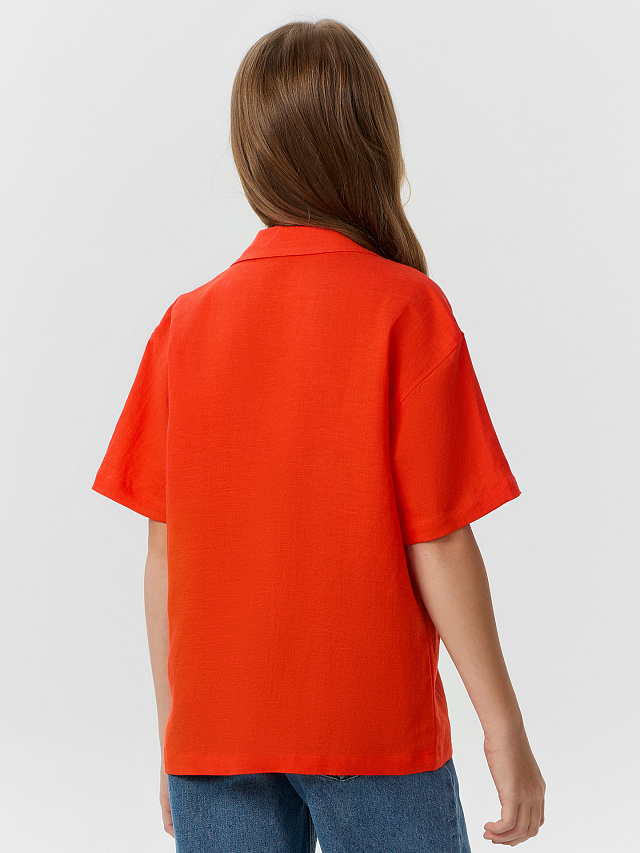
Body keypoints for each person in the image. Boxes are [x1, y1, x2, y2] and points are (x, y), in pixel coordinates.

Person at [91, 17, 545, 853]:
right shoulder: (406, 310)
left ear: (253, 154)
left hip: (216, 736)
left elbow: (164, 553)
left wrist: (174, 736)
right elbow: (439, 541)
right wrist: (503, 727)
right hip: (372, 731)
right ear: (370, 144)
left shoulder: (184, 326)